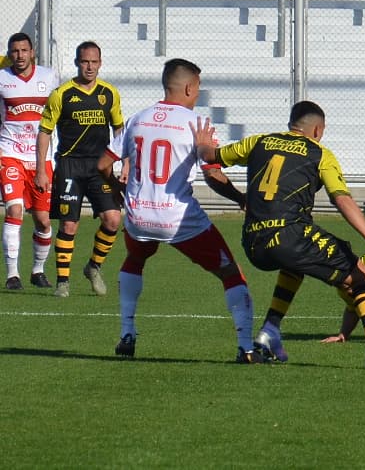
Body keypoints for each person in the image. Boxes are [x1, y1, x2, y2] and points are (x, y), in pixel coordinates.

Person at [192, 100, 365, 370]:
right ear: (318, 129)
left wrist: (203, 145)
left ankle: (269, 333)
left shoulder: (260, 141)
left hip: (253, 241)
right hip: (289, 234)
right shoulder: (320, 153)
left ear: (291, 124)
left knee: (295, 264)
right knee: (361, 276)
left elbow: (210, 159)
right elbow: (341, 199)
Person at [97, 58, 260, 363]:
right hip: (178, 219)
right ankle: (246, 348)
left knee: (135, 259)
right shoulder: (196, 124)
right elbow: (212, 176)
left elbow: (103, 165)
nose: (198, 94)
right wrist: (240, 198)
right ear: (188, 87)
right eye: (198, 88)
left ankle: (127, 333)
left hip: (139, 217)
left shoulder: (137, 119)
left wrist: (121, 192)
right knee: (231, 273)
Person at [34, 41, 124, 298]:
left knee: (113, 219)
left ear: (100, 63)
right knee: (69, 225)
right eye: (85, 61)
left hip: (100, 166)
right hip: (70, 165)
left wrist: (124, 162)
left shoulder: (110, 93)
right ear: (77, 62)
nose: (89, 66)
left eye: (94, 62)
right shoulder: (61, 94)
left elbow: (119, 129)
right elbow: (44, 132)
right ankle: (63, 282)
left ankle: (93, 266)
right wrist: (42, 169)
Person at [0, 33, 59, 290]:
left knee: (43, 220)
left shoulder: (49, 77)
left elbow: (58, 114)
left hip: (41, 159)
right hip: (9, 154)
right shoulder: (2, 79)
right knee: (14, 211)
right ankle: (13, 275)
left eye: (24, 50)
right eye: (15, 51)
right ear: (9, 54)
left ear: (32, 52)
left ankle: (37, 271)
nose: (20, 55)